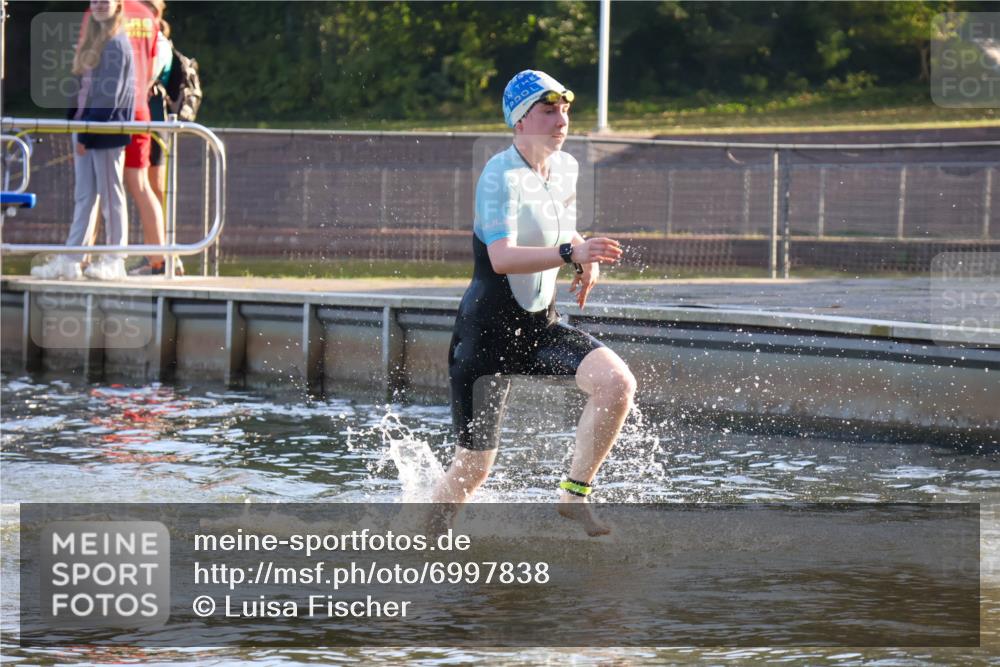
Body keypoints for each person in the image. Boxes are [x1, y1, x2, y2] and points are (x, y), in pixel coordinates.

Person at [431, 70, 636, 536]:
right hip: (484, 339)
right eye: (548, 111)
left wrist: (585, 256)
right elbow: (501, 258)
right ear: (520, 122)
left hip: (539, 328)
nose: (561, 119)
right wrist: (570, 254)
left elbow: (561, 226)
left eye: (564, 110)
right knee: (473, 468)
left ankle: (574, 494)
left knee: (616, 384)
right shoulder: (498, 176)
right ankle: (419, 548)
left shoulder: (565, 168)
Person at [32, 0, 135, 280]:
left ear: (118, 5)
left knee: (111, 196)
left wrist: (87, 135)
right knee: (84, 197)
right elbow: (82, 90)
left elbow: (108, 97)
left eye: (106, 1)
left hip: (106, 131)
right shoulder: (94, 39)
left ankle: (116, 259)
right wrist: (76, 127)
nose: (100, 5)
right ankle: (71, 258)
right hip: (86, 128)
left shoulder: (116, 43)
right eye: (95, 1)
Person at [128, 0, 181, 275]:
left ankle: (161, 257)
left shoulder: (158, 41)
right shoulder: (150, 38)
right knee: (149, 188)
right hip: (148, 118)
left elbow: (147, 78)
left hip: (153, 119)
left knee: (153, 188)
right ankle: (157, 255)